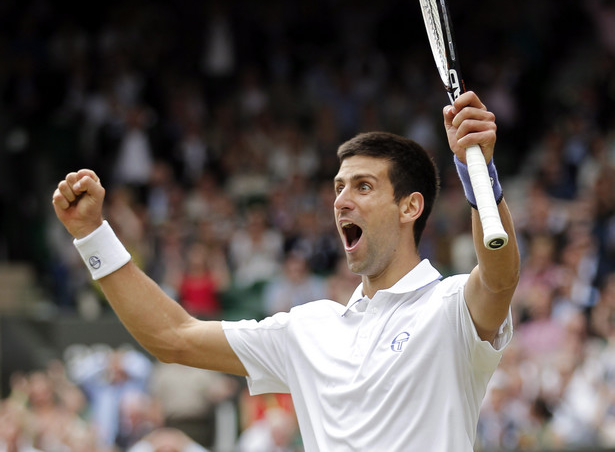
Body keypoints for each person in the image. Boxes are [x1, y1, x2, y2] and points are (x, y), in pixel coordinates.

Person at [52, 91, 520, 451]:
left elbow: (498, 274)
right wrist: (93, 236)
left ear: (410, 206)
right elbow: (172, 337)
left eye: (363, 185)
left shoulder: (451, 307)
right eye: (338, 187)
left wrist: (479, 171)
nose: (341, 200)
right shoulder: (307, 329)